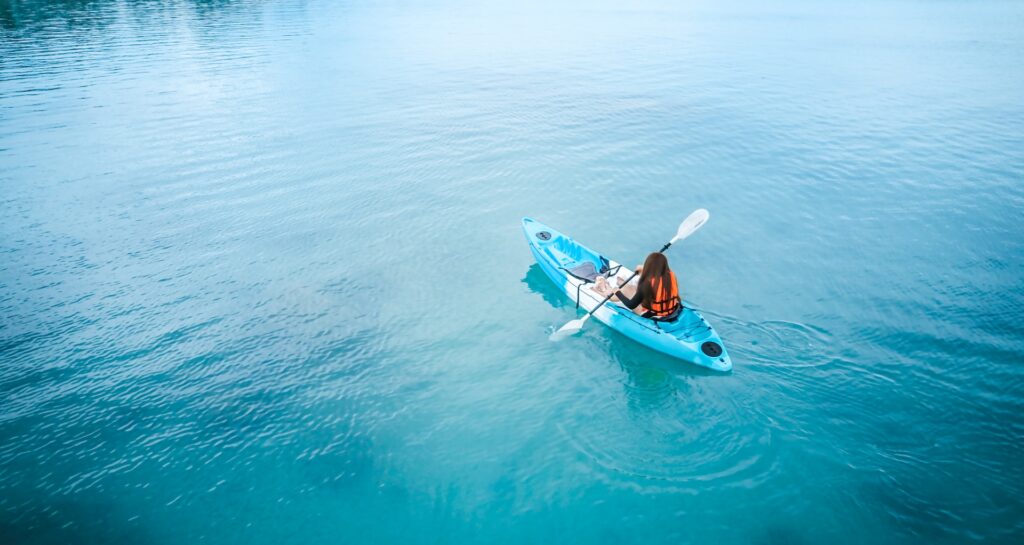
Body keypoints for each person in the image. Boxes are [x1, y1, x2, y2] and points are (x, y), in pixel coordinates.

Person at [594, 252, 681, 319]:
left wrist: (617, 292)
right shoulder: (671, 275)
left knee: (624, 291)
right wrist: (643, 270)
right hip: (673, 310)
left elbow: (631, 305)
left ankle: (603, 291)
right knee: (634, 288)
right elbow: (656, 275)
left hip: (655, 315)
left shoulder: (646, 284)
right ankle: (622, 284)